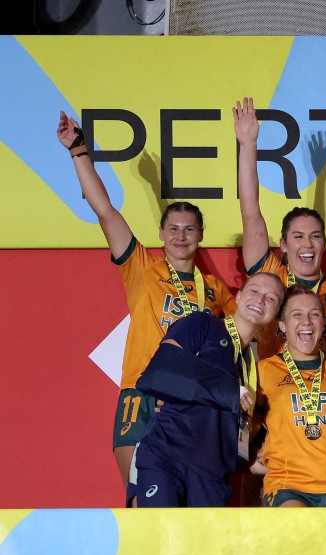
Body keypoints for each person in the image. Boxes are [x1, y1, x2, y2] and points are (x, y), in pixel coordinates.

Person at [56, 110, 235, 499]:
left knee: (188, 506)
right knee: (141, 502)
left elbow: (243, 341)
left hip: (192, 404)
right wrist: (78, 151)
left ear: (201, 235)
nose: (180, 236)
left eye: (189, 229)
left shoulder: (217, 292)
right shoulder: (142, 268)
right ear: (161, 233)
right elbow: (104, 209)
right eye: (173, 229)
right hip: (141, 395)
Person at [234, 97, 326, 366]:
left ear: (324, 244)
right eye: (298, 237)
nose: (307, 244)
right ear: (284, 244)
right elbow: (250, 213)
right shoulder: (270, 277)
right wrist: (248, 145)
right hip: (273, 384)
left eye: (315, 236)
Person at [133, 272, 285, 507]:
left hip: (212, 479)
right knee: (159, 530)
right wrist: (226, 390)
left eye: (271, 298)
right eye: (254, 291)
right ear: (239, 296)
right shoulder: (202, 324)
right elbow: (160, 370)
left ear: (276, 315)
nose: (260, 299)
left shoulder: (254, 368)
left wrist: (251, 460)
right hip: (167, 457)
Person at [256, 285, 326, 508]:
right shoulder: (263, 370)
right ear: (282, 325)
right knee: (298, 527)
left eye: (314, 315)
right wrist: (253, 458)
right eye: (297, 315)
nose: (307, 322)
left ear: (323, 323)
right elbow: (244, 424)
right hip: (288, 484)